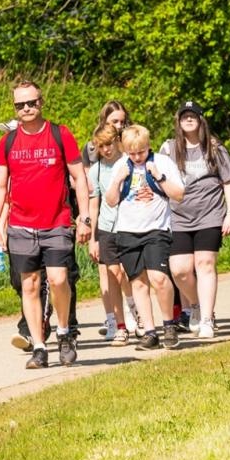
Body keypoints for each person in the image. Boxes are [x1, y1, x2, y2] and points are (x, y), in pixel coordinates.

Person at [0, 80, 94, 369]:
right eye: (20, 105)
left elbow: (79, 178)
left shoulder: (60, 134)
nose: (26, 108)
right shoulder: (8, 142)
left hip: (56, 223)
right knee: (30, 285)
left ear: (41, 102)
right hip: (21, 226)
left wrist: (84, 218)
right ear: (15, 108)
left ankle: (64, 332)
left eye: (31, 102)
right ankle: (38, 347)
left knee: (59, 280)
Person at [105, 124, 187, 349]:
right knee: (138, 282)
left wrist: (159, 177)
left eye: (140, 152)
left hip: (156, 229)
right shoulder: (121, 165)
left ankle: (169, 325)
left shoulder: (162, 162)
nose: (137, 157)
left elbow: (179, 195)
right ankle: (150, 332)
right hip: (127, 231)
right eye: (132, 153)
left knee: (158, 278)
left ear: (148, 146)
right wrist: (117, 180)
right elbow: (111, 201)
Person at [160, 102, 230, 339]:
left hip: (209, 214)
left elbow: (228, 182)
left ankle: (207, 319)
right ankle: (195, 305)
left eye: (193, 116)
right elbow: (158, 179)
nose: (189, 119)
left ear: (201, 120)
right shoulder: (169, 149)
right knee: (180, 270)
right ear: (178, 121)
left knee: (205, 264)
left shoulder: (215, 148)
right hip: (178, 217)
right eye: (184, 116)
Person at [86, 122, 137, 344]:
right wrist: (93, 238)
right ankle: (120, 325)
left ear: (117, 141)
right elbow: (94, 205)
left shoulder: (129, 162)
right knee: (113, 273)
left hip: (129, 225)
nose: (106, 149)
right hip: (107, 227)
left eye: (109, 144)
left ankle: (135, 311)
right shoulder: (96, 169)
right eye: (101, 146)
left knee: (127, 273)